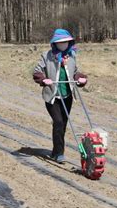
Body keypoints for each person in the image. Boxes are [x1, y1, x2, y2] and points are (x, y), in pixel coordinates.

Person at [32, 28, 87, 164]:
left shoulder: (72, 56)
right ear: (55, 43)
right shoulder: (47, 56)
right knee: (58, 122)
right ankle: (60, 154)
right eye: (60, 43)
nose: (63, 45)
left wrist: (80, 79)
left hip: (67, 96)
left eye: (65, 42)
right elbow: (37, 71)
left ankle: (55, 151)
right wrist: (44, 79)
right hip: (52, 96)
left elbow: (75, 72)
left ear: (69, 42)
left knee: (62, 125)